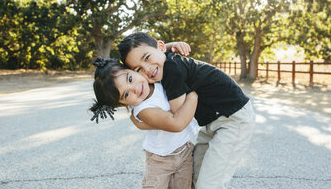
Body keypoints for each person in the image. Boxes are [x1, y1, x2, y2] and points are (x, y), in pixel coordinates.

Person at [117, 32, 256, 189]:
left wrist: (145, 124)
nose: (147, 69)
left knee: (209, 185)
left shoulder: (170, 69)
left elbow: (179, 118)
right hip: (213, 120)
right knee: (195, 178)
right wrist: (169, 45)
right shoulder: (164, 61)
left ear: (160, 47)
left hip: (234, 118)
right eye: (138, 69)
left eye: (147, 58)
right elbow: (156, 51)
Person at [90, 57, 199, 189]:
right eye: (126, 94)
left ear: (133, 70)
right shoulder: (142, 109)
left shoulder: (157, 79)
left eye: (130, 79)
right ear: (121, 104)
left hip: (185, 151)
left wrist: (172, 45)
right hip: (161, 159)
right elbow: (174, 122)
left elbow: (154, 55)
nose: (135, 89)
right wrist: (193, 96)